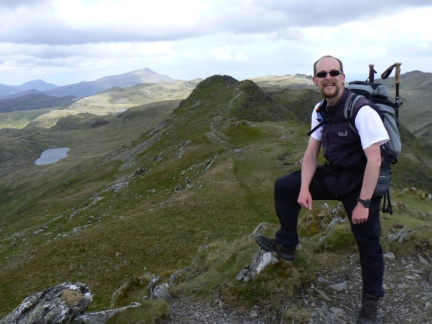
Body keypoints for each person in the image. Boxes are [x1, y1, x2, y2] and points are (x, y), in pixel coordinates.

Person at [255, 55, 389, 324]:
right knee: (285, 187)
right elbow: (311, 153)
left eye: (334, 72)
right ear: (316, 81)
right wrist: (304, 188)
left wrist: (363, 202)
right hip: (335, 176)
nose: (328, 77)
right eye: (322, 73)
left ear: (342, 77)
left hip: (360, 183)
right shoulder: (319, 109)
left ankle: (371, 301)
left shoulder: (361, 110)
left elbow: (375, 159)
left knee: (368, 243)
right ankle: (287, 242)